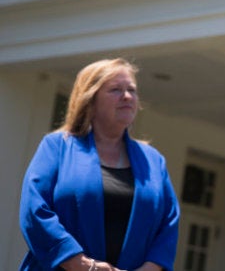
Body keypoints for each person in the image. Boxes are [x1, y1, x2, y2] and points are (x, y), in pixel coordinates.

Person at [19, 58, 180, 271]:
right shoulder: (58, 147)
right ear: (90, 100)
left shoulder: (153, 161)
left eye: (132, 90)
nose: (127, 96)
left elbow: (169, 224)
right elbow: (34, 210)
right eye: (115, 90)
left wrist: (149, 268)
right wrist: (83, 265)